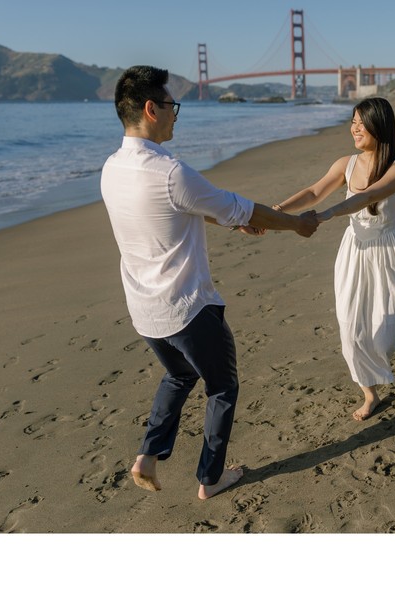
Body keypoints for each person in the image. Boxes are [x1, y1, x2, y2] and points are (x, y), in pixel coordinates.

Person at [100, 66, 318, 500]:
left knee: (179, 375)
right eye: (171, 105)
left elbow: (173, 212)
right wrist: (296, 224)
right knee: (222, 387)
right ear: (150, 109)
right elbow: (241, 209)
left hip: (145, 312)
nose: (176, 114)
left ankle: (148, 455)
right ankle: (210, 478)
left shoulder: (112, 168)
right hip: (188, 308)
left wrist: (230, 221)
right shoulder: (169, 172)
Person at [273, 97, 395, 421]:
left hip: (389, 253)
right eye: (353, 122)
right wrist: (276, 211)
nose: (354, 128)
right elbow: (315, 191)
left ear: (379, 125)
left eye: (360, 123)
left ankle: (378, 361)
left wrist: (330, 213)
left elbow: (370, 195)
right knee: (350, 328)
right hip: (354, 252)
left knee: (381, 332)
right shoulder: (346, 164)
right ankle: (370, 394)